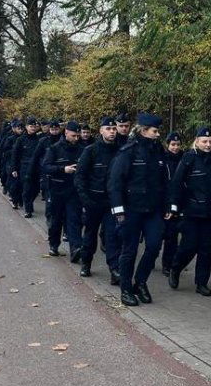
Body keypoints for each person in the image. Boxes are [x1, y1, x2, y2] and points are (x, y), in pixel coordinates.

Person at [109, 113, 168, 306]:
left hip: (153, 210)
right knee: (129, 251)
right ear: (144, 130)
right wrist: (119, 211)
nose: (158, 134)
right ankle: (125, 288)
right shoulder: (129, 151)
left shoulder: (158, 150)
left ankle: (140, 281)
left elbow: (164, 182)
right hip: (131, 210)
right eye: (155, 131)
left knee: (153, 247)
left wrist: (167, 205)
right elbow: (115, 183)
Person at [167, 127, 211, 297]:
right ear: (197, 141)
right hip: (190, 211)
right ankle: (176, 268)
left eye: (210, 142)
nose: (208, 145)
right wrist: (174, 206)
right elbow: (176, 183)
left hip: (208, 212)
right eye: (204, 141)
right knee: (189, 245)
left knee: (205, 249)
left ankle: (201, 283)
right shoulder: (188, 158)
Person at [75, 117, 121, 279]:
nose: (112, 132)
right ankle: (86, 263)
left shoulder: (120, 151)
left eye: (114, 129)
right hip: (93, 201)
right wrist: (86, 200)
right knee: (90, 236)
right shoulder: (91, 151)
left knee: (112, 236)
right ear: (101, 131)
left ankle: (114, 270)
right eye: (108, 129)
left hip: (111, 203)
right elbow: (80, 177)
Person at [41, 121, 84, 257]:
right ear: (66, 133)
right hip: (56, 190)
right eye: (74, 135)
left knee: (74, 220)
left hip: (74, 191)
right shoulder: (54, 149)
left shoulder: (82, 149)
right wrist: (62, 169)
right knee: (56, 221)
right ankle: (53, 245)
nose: (76, 138)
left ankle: (75, 248)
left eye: (78, 136)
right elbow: (46, 167)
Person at [160, 132, 184, 276]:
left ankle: (169, 264)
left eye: (178, 145)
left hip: (180, 202)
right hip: (165, 202)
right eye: (173, 145)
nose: (175, 147)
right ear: (167, 145)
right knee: (163, 235)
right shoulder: (163, 160)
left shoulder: (184, 159)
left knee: (173, 235)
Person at [11, 117, 42, 218]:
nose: (33, 128)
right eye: (31, 126)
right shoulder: (21, 140)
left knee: (36, 189)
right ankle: (28, 209)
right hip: (24, 167)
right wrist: (14, 168)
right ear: (26, 127)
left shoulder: (39, 140)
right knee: (27, 189)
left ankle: (26, 202)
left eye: (34, 126)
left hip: (36, 168)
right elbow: (15, 155)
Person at [33, 119, 63, 204]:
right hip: (46, 168)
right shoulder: (44, 140)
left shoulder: (63, 140)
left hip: (59, 169)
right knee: (47, 189)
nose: (54, 132)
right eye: (52, 130)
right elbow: (36, 155)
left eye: (56, 129)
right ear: (50, 130)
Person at [1, 121, 24, 201]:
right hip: (10, 161)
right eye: (19, 129)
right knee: (11, 177)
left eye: (22, 129)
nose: (20, 130)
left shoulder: (23, 138)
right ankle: (11, 192)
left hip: (20, 162)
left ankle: (17, 195)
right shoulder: (10, 138)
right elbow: (5, 150)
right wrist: (14, 150)